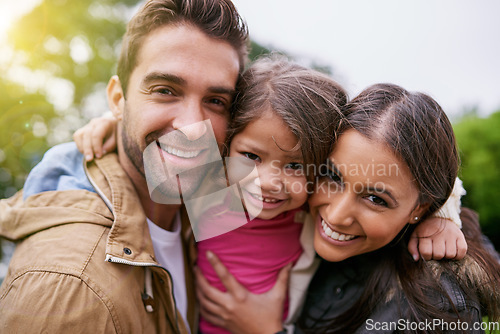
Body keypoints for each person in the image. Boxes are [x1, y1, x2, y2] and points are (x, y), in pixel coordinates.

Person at [74, 62, 468, 332]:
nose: (268, 183)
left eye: (296, 165)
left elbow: (402, 175)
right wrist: (114, 122)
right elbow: (160, 146)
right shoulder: (217, 197)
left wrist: (444, 213)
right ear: (228, 144)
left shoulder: (303, 214)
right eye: (250, 157)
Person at [0, 0, 248, 332]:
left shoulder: (204, 212)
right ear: (118, 100)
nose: (192, 127)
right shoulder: (73, 288)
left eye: (216, 101)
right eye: (165, 91)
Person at [196, 83, 500, 333]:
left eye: (376, 199)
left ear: (419, 208)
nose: (336, 215)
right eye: (332, 176)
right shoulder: (291, 214)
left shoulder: (439, 305)